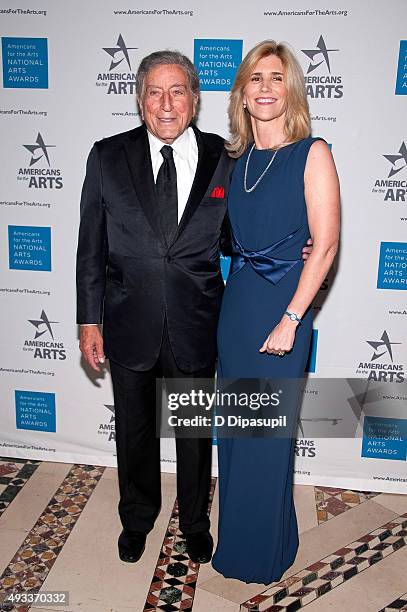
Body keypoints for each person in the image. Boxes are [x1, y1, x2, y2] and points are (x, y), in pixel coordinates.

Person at [76, 50, 312, 567]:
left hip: (199, 322)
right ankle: (137, 519)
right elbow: (89, 245)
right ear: (140, 100)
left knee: (194, 433)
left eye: (177, 90)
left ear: (195, 99)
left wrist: (296, 246)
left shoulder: (224, 155)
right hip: (128, 322)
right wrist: (88, 319)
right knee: (135, 431)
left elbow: (243, 233)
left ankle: (195, 523)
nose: (166, 103)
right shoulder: (106, 156)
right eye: (155, 92)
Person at [211, 40, 340, 585]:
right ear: (242, 93)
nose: (265, 88)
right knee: (235, 435)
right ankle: (240, 542)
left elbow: (327, 244)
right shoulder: (232, 159)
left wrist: (292, 319)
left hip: (283, 306)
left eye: (276, 77)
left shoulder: (313, 152)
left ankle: (265, 554)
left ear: (290, 90)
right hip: (237, 303)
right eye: (255, 78)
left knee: (267, 436)